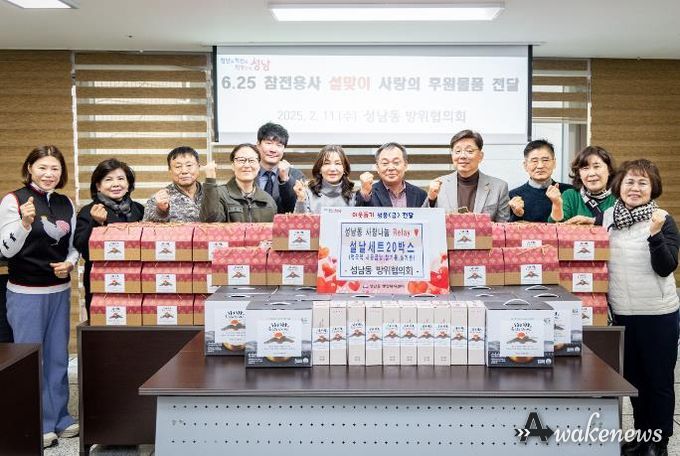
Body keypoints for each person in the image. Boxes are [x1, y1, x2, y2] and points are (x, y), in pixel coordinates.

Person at [0, 145, 79, 448]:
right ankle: (37, 421)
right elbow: (5, 250)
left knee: (58, 357)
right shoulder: (14, 200)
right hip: (25, 292)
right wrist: (24, 224)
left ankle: (61, 417)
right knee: (32, 359)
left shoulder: (65, 202)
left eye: (55, 168)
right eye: (42, 167)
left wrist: (70, 263)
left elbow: (73, 245)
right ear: (29, 168)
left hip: (59, 291)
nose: (49, 174)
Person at [604, 160, 679, 456]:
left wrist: (655, 234)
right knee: (634, 381)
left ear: (653, 188)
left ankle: (658, 443)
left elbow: (666, 267)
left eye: (642, 183)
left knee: (658, 381)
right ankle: (642, 436)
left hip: (658, 314)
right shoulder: (608, 217)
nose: (635, 188)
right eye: (630, 182)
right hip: (623, 312)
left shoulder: (662, 219)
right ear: (619, 185)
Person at [74, 159, 144, 317]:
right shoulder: (89, 211)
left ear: (128, 184)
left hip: (135, 281)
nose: (116, 184)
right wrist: (96, 223)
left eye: (121, 178)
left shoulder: (139, 210)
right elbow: (82, 248)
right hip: (102, 282)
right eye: (108, 179)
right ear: (98, 186)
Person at [425, 129, 510, 222]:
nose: (462, 156)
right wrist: (431, 199)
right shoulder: (440, 185)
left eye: (469, 151)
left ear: (480, 156)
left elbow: (504, 226)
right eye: (457, 151)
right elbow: (424, 220)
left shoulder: (499, 187)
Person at [200, 143, 277, 222]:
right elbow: (210, 222)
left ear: (258, 166)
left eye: (252, 160)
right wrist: (210, 181)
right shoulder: (219, 194)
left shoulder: (267, 200)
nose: (247, 165)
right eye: (241, 160)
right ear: (233, 166)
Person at [508, 139, 575, 222]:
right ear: (525, 165)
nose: (540, 166)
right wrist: (517, 215)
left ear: (554, 163)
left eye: (545, 160)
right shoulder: (513, 195)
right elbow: (505, 228)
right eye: (534, 161)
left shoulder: (570, 192)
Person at [549, 145, 616, 225]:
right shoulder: (570, 196)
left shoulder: (619, 196)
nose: (591, 173)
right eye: (585, 168)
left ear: (609, 170)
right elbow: (555, 227)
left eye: (596, 167)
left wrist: (591, 220)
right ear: (579, 174)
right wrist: (556, 204)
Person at [355, 142, 427, 208]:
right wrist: (365, 193)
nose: (391, 168)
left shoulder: (420, 195)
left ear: (405, 165)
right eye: (385, 163)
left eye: (396, 162)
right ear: (377, 167)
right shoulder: (368, 193)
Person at [143, 146, 204, 222]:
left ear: (198, 167)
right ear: (170, 170)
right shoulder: (159, 199)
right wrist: (161, 211)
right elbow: (147, 227)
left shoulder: (211, 194)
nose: (184, 171)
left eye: (189, 165)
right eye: (178, 166)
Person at [289, 145, 356, 213]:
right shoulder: (307, 194)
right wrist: (301, 199)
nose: (332, 169)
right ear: (320, 169)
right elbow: (300, 219)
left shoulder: (354, 196)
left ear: (344, 169)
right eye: (327, 163)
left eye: (337, 163)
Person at [256, 122, 303, 213]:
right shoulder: (248, 172)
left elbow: (297, 208)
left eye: (279, 145)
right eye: (269, 143)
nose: (273, 150)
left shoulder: (295, 175)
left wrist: (285, 180)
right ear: (258, 145)